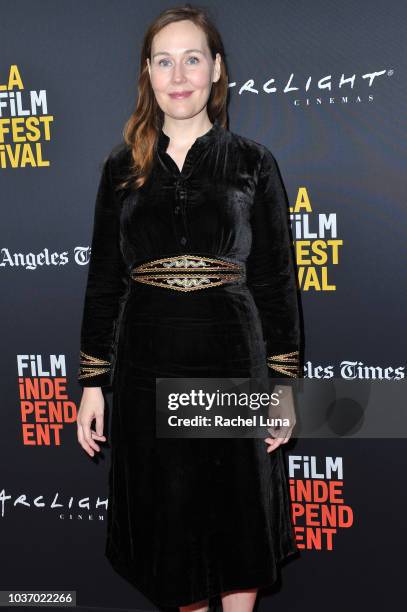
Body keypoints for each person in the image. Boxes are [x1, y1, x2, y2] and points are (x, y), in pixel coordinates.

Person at [76, 5, 302, 612]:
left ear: (217, 69)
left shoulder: (253, 163)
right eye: (164, 61)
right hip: (147, 369)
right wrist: (94, 384)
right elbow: (103, 283)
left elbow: (278, 280)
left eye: (193, 58)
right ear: (147, 74)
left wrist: (280, 384)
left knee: (235, 528)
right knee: (172, 540)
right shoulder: (120, 170)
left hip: (231, 361)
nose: (179, 75)